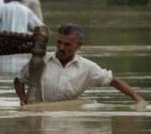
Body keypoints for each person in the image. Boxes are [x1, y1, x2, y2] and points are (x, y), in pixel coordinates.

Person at [14, 24, 146, 106]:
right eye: (59, 42)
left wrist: (138, 99)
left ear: (78, 46)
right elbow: (19, 80)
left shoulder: (87, 67)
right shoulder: (40, 61)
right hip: (39, 112)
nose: (61, 47)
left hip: (67, 117)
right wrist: (22, 98)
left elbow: (113, 81)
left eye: (67, 44)